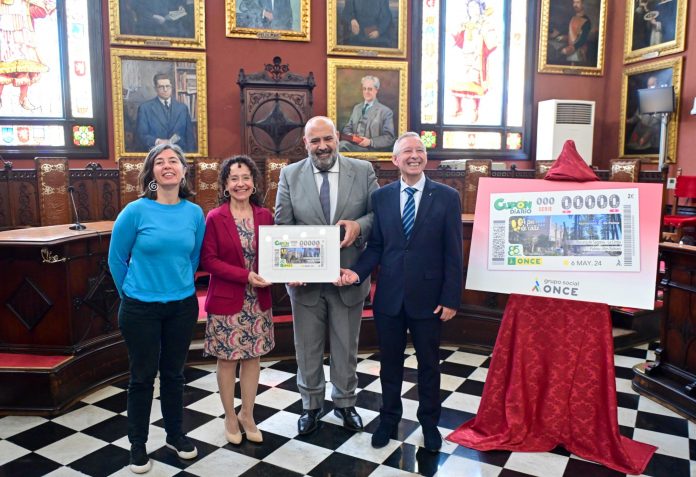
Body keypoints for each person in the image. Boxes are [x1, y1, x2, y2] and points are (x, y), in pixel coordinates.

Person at [338, 132, 463, 452]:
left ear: (426, 158)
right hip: (390, 298)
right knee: (390, 364)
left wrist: (451, 297)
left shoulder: (447, 197)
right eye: (407, 151)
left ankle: (430, 423)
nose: (414, 155)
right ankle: (389, 418)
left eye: (419, 150)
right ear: (395, 160)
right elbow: (378, 245)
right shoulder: (382, 197)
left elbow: (453, 251)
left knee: (429, 365)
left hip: (430, 299)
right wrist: (356, 272)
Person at [274, 116, 379, 435]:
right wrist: (291, 266)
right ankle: (310, 406)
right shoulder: (290, 175)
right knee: (306, 346)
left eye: (327, 139)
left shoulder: (363, 172)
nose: (322, 146)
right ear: (305, 144)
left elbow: (378, 214)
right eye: (314, 141)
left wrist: (359, 226)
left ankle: (346, 403)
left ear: (337, 139)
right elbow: (283, 225)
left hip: (348, 277)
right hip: (306, 283)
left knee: (347, 346)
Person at [108, 144, 205, 474]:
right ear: (150, 172)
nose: (167, 166)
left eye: (174, 161)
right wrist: (131, 296)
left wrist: (176, 285)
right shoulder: (135, 211)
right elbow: (116, 259)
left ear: (183, 170)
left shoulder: (194, 212)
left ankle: (176, 435)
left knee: (175, 375)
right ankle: (138, 443)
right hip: (140, 309)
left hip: (181, 307)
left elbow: (193, 259)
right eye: (159, 162)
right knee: (142, 377)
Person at [201, 155, 274, 445]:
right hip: (227, 300)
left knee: (253, 357)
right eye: (234, 178)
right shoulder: (215, 217)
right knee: (228, 360)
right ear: (225, 184)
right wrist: (246, 276)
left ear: (254, 183)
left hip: (257, 301)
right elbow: (209, 260)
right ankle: (230, 416)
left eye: (245, 178)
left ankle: (247, 413)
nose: (240, 183)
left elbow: (275, 255)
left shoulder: (265, 215)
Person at [0, 0, 56, 111]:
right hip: (4, 41)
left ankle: (23, 98)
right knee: (2, 69)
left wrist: (44, 4)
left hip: (23, 41)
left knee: (24, 68)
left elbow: (40, 12)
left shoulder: (24, 4)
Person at [449, 0, 497, 122]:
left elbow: (492, 42)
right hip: (464, 56)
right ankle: (458, 107)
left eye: (475, 7)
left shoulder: (485, 24)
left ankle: (476, 111)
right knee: (458, 81)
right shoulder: (465, 23)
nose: (472, 10)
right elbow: (458, 39)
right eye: (470, 7)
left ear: (480, 9)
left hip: (477, 57)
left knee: (475, 84)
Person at [135, 73, 196, 153]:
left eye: (168, 86)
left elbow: (190, 138)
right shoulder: (145, 108)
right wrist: (157, 141)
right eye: (161, 87)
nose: (165, 89)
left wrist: (190, 158)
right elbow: (141, 135)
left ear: (171, 87)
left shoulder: (182, 108)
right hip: (156, 154)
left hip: (180, 156)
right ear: (155, 89)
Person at [339, 75, 395, 153]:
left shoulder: (385, 112)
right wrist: (351, 136)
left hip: (372, 149)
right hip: (354, 145)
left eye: (369, 89)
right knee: (340, 145)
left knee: (342, 146)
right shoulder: (357, 108)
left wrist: (370, 142)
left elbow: (389, 138)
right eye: (364, 89)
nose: (366, 92)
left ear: (376, 90)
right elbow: (347, 128)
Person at [120, 0, 195, 38]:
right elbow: (135, 5)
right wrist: (152, 16)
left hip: (173, 26)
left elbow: (181, 4)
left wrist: (181, 7)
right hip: (147, 27)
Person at [549, 0, 591, 65]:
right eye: (574, 2)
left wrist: (572, 48)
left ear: (583, 4)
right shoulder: (573, 17)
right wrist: (564, 37)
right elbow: (572, 33)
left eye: (577, 2)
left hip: (579, 51)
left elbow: (582, 39)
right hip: (569, 49)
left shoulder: (586, 21)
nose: (575, 5)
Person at [626, 75, 661, 152]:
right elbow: (637, 117)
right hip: (640, 130)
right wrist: (626, 121)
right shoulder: (645, 100)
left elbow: (657, 123)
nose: (650, 87)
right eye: (649, 85)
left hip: (652, 135)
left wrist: (646, 136)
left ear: (658, 85)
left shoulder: (661, 101)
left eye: (652, 85)